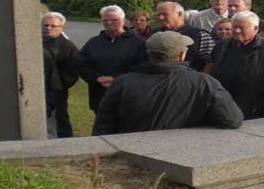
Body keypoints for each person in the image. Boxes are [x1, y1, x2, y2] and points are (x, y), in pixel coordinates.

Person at [91, 31, 244, 135]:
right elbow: (231, 119)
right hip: (183, 155)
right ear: (182, 55)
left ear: (149, 54)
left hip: (133, 155)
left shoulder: (123, 82)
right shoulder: (204, 82)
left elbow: (103, 125)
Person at [206, 12, 264, 120]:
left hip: (255, 111)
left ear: (255, 28)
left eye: (241, 28)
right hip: (224, 105)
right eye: (234, 27)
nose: (237, 31)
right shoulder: (222, 45)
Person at [78, 5, 148, 114]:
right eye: (105, 20)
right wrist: (96, 78)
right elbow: (81, 64)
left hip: (127, 95)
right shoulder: (94, 42)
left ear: (123, 21)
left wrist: (114, 78)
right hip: (100, 95)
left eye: (114, 20)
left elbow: (142, 66)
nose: (109, 23)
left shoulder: (137, 43)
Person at [42, 12, 82, 138]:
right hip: (38, 89)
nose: (48, 28)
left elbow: (74, 70)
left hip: (57, 91)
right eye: (45, 25)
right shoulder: (35, 43)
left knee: (59, 119)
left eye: (53, 26)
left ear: (62, 28)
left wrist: (60, 84)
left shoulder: (68, 47)